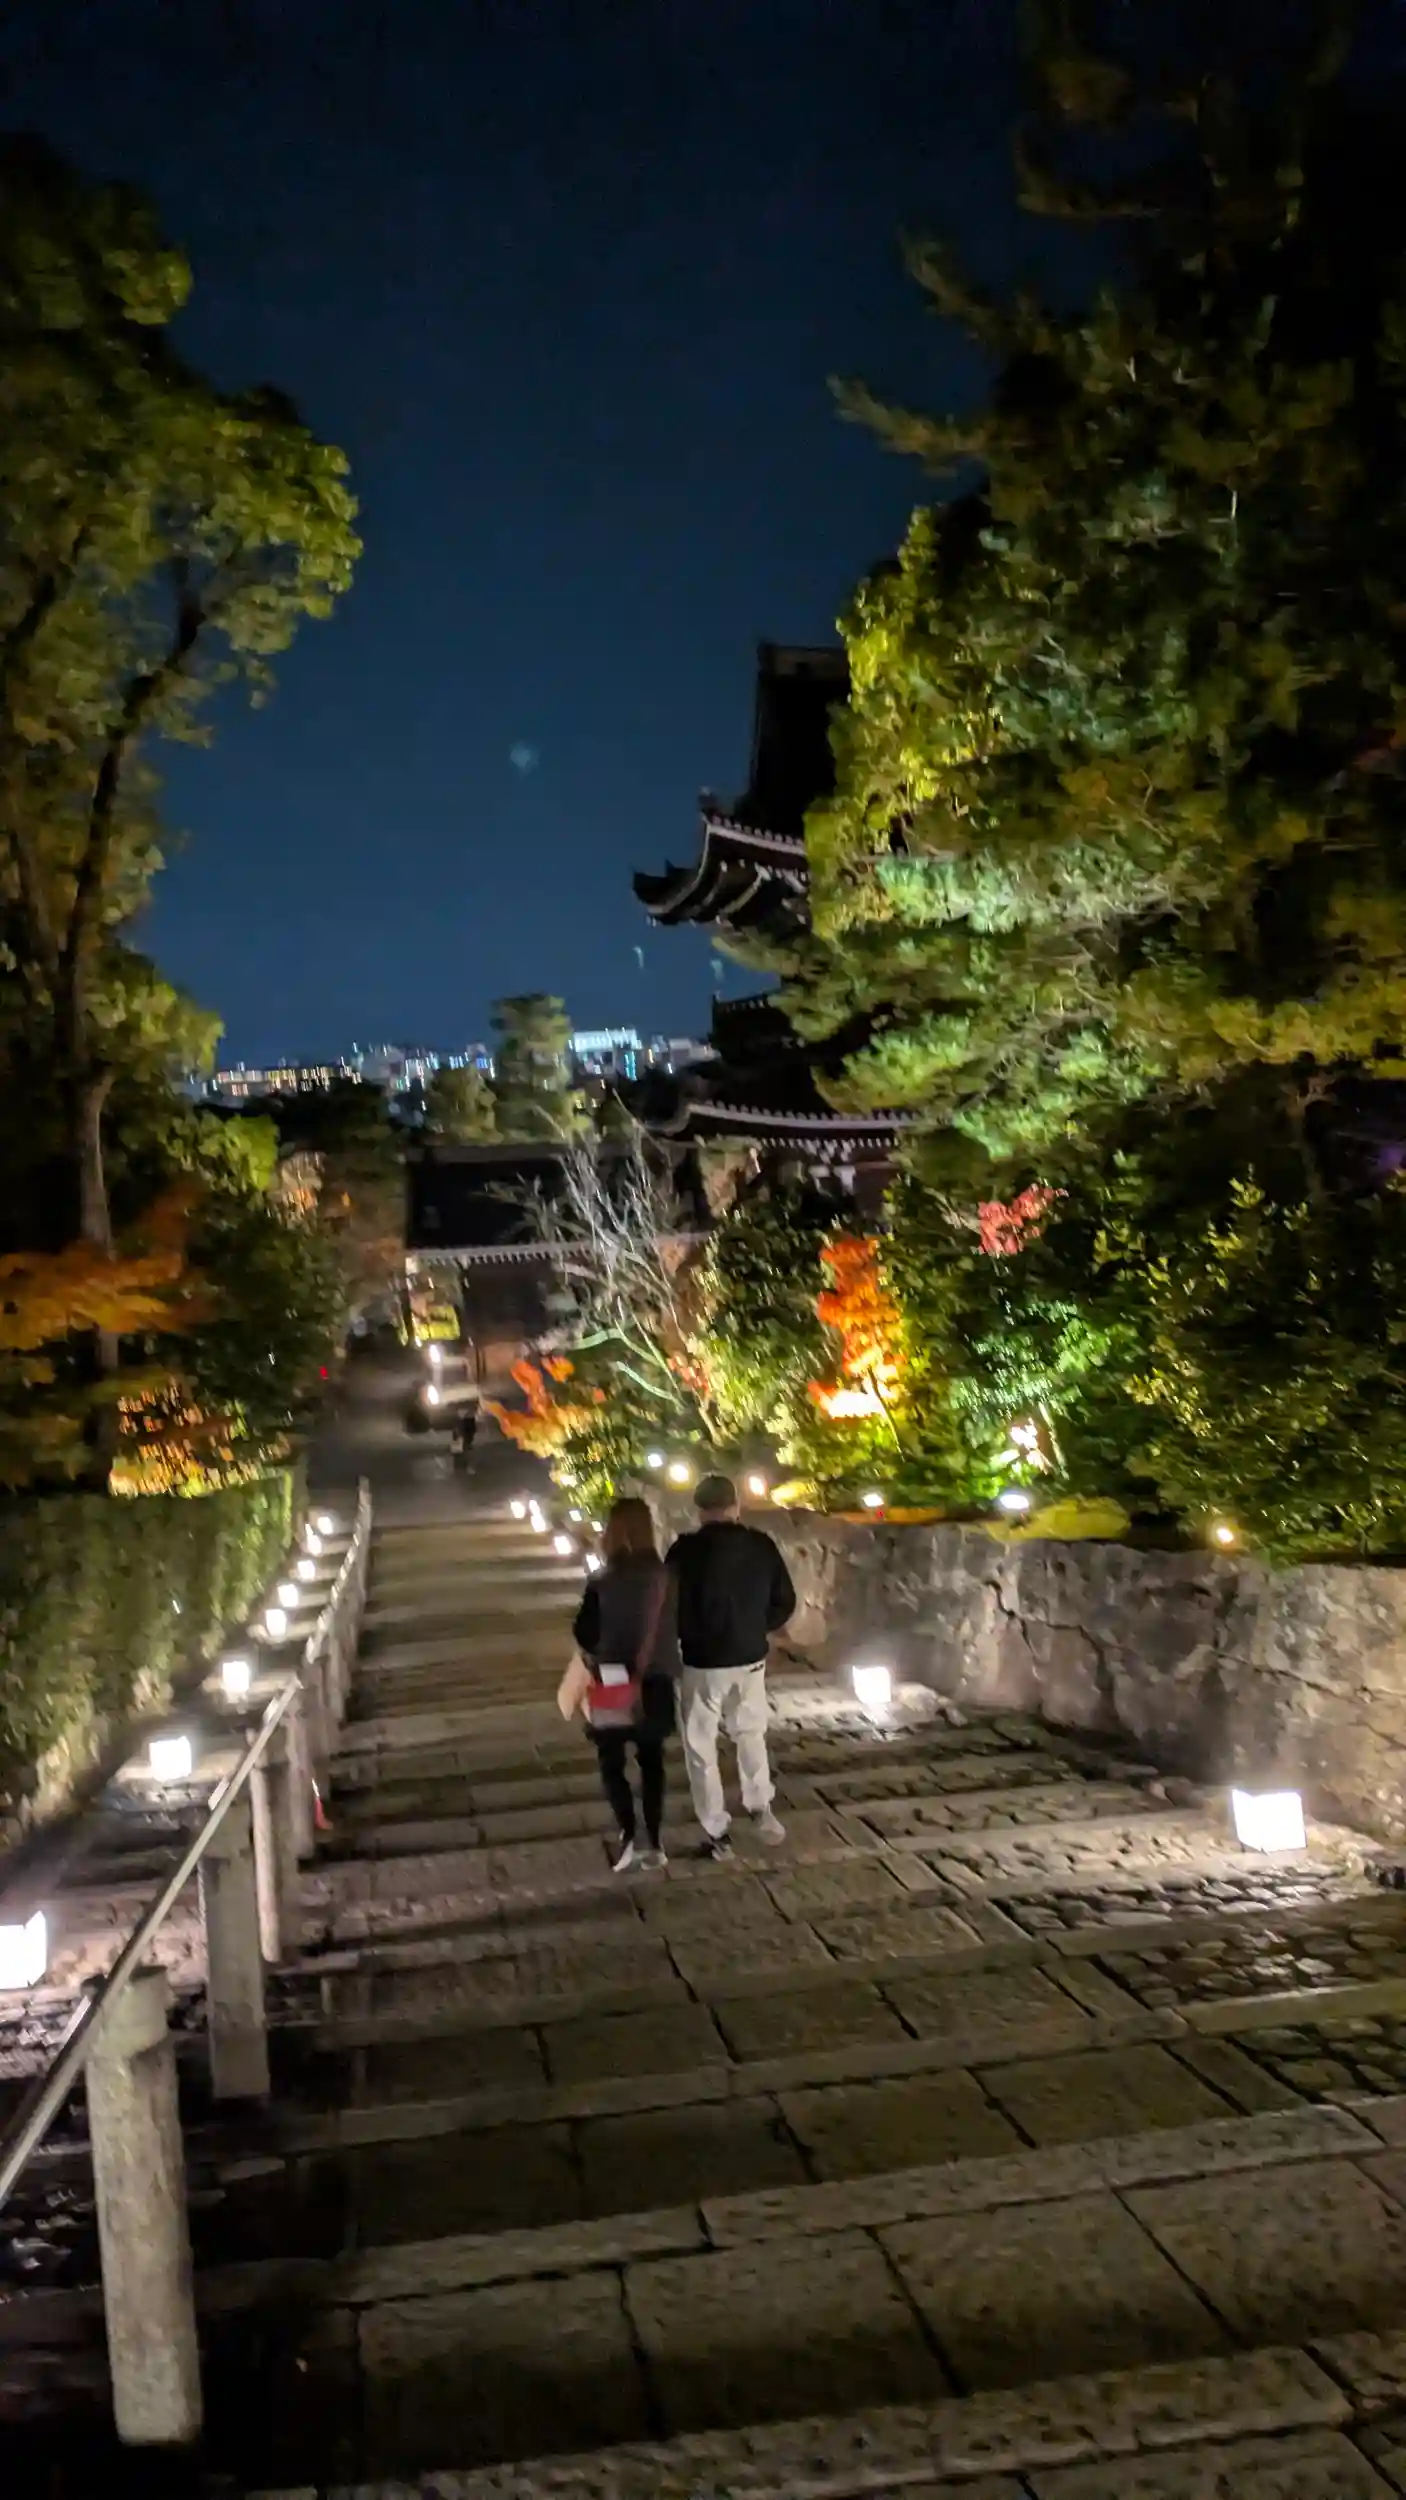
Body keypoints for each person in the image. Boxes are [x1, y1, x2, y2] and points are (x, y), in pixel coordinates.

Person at [667, 1473, 795, 1859]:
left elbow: (667, 1605)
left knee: (700, 1744)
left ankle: (717, 1828)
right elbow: (784, 1600)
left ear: (699, 1509)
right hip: (750, 1657)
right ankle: (760, 1805)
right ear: (735, 1505)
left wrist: (683, 1635)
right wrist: (757, 1626)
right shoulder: (760, 1544)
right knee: (750, 1732)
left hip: (702, 1661)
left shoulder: (684, 1551)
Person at [570, 1498, 679, 1873]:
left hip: (612, 1681)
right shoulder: (666, 1578)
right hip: (656, 1679)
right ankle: (655, 1840)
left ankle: (629, 1833)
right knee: (652, 1761)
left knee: (611, 1761)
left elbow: (585, 1633)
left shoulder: (602, 1582)